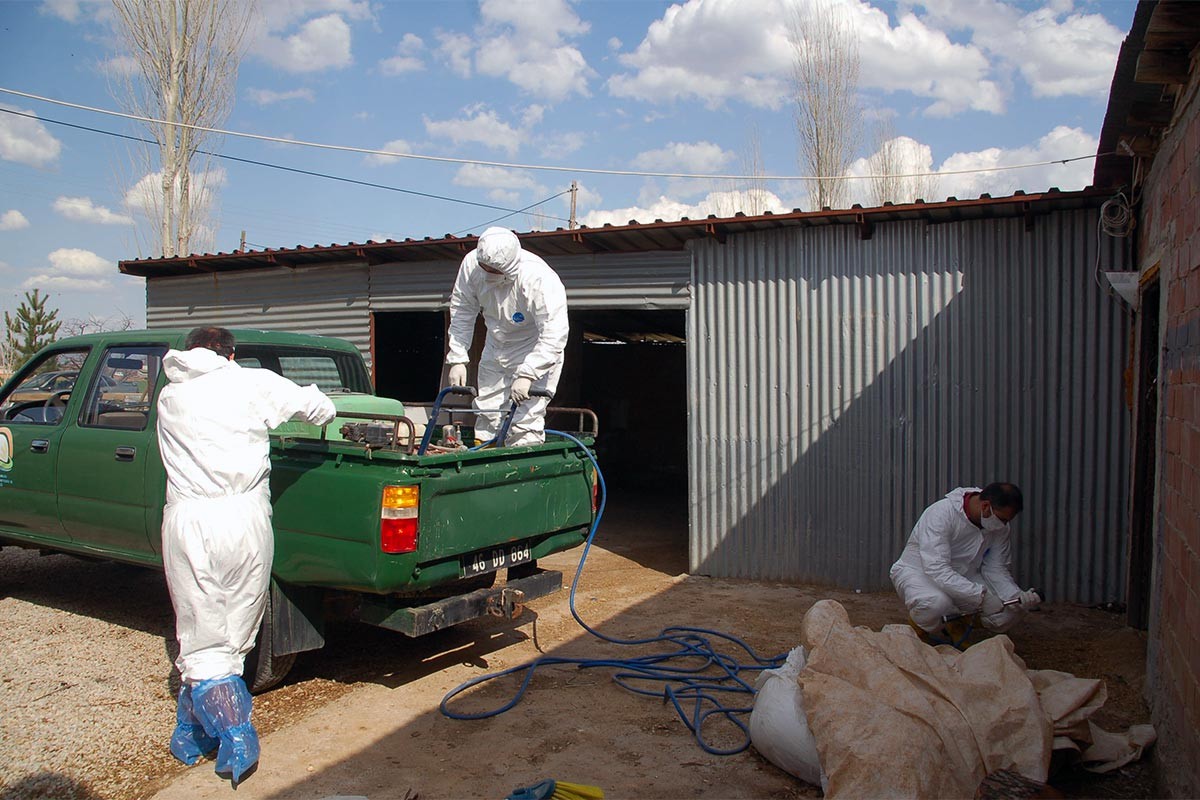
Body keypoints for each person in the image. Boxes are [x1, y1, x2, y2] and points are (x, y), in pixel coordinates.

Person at [156, 326, 335, 783]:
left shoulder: (170, 395)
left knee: (200, 629)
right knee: (237, 625)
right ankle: (234, 733)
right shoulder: (251, 382)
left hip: (189, 521)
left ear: (189, 352)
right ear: (231, 354)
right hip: (244, 519)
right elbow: (319, 408)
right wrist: (322, 410)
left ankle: (196, 730)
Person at [445, 226, 569, 447]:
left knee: (525, 422)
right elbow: (463, 310)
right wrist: (458, 357)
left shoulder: (539, 278)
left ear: (509, 268)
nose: (486, 273)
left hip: (534, 350)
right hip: (496, 345)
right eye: (484, 267)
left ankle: (521, 471)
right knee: (488, 412)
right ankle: (484, 463)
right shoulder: (472, 265)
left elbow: (554, 333)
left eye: (493, 270)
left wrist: (528, 373)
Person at [889, 482, 1041, 644]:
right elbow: (937, 569)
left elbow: (996, 568)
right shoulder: (941, 514)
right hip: (919, 572)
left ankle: (957, 622)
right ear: (985, 506)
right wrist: (980, 597)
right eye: (1003, 519)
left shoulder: (999, 526)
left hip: (964, 575)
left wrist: (1016, 597)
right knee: (936, 604)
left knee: (1010, 610)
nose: (1004, 525)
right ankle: (919, 628)